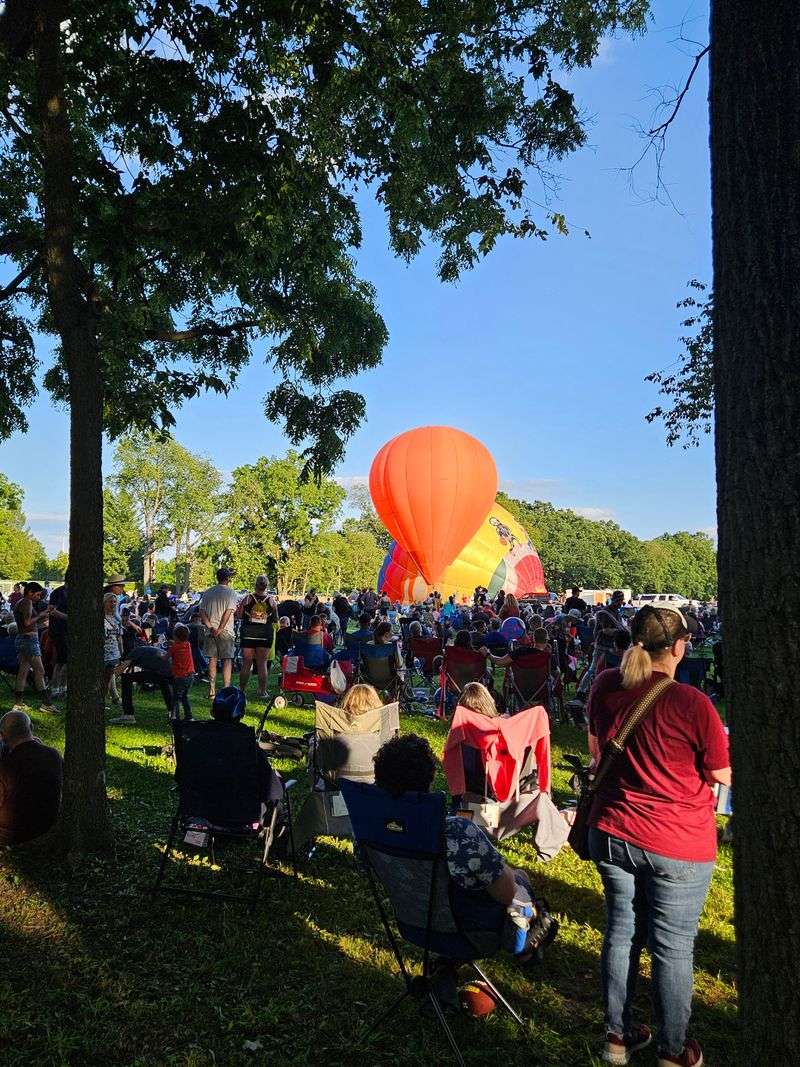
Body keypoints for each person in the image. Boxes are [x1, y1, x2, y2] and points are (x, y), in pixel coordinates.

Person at [587, 605, 730, 1067]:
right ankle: (673, 1050)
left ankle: (617, 1037)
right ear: (679, 647)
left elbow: (596, 747)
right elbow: (721, 773)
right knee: (672, 947)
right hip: (678, 842)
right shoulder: (693, 704)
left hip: (613, 830)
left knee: (621, 932)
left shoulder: (605, 685)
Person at [373, 734, 557, 960]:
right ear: (430, 782)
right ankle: (527, 942)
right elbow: (507, 892)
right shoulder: (457, 832)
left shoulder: (371, 830)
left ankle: (447, 966)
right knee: (519, 878)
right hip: (470, 932)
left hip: (412, 925)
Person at [0, 710, 63, 846]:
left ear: (3, 737)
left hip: (11, 834)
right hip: (45, 825)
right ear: (31, 728)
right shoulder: (53, 755)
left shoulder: (6, 766)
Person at [12, 582, 56, 713]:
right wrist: (41, 615)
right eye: (37, 594)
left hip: (22, 638)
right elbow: (27, 623)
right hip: (29, 640)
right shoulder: (27, 602)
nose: (39, 597)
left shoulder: (20, 602)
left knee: (23, 671)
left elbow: (26, 623)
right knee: (40, 671)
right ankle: (46, 703)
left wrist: (43, 618)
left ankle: (18, 703)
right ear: (30, 592)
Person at [577, 590, 628, 700]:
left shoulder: (616, 613)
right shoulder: (604, 613)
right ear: (614, 600)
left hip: (613, 645)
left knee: (616, 669)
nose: (620, 603)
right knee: (593, 669)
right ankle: (581, 691)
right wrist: (620, 632)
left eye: (621, 601)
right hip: (602, 645)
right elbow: (605, 630)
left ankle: (611, 692)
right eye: (619, 601)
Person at [111, 638, 174, 725]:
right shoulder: (148, 649)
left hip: (161, 671)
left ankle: (128, 715)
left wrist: (111, 679)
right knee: (163, 682)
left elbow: (121, 669)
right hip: (171, 670)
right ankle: (173, 713)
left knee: (126, 679)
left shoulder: (134, 652)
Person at [198, 568, 238, 700]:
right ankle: (226, 689)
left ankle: (212, 690)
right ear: (228, 579)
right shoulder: (231, 593)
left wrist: (210, 627)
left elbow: (202, 611)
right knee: (227, 660)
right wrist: (220, 628)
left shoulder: (208, 592)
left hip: (210, 630)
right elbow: (228, 612)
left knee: (212, 659)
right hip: (226, 630)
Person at [237, 576, 278, 698]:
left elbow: (239, 615)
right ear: (266, 586)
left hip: (248, 633)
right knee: (262, 663)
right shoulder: (271, 600)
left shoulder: (247, 598)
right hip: (264, 634)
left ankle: (242, 690)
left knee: (246, 663)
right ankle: (262, 691)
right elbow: (275, 619)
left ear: (255, 585)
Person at [47, 572, 68, 698]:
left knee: (63, 660)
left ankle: (59, 687)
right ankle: (57, 687)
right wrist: (67, 617)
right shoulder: (58, 592)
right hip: (59, 630)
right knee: (63, 660)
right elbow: (51, 610)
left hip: (68, 630)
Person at [168, 623, 195, 721]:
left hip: (180, 677)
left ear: (175, 637)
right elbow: (180, 644)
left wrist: (158, 655)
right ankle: (189, 716)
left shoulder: (173, 648)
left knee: (176, 698)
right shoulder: (188, 645)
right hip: (190, 676)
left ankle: (174, 717)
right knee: (185, 697)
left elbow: (165, 658)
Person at [103, 591, 123, 705]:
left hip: (113, 652)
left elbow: (119, 636)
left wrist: (121, 651)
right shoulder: (100, 618)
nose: (113, 604)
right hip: (103, 653)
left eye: (115, 602)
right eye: (110, 602)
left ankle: (106, 699)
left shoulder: (116, 618)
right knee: (102, 677)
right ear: (104, 603)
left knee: (109, 676)